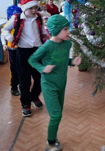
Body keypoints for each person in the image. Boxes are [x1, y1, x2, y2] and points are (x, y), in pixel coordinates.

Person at [28, 15, 81, 151]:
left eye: (68, 28)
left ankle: (54, 139)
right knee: (56, 115)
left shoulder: (67, 43)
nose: (68, 32)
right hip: (49, 85)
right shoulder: (46, 47)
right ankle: (51, 142)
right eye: (65, 29)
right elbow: (32, 60)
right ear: (55, 30)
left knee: (58, 113)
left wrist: (72, 62)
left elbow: (63, 60)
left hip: (62, 84)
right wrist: (42, 68)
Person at [1, 0, 49, 116]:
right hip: (23, 52)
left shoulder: (38, 17)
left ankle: (34, 97)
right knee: (24, 80)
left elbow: (42, 30)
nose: (34, 10)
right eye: (31, 8)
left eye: (35, 7)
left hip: (37, 52)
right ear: (24, 8)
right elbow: (4, 30)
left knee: (40, 78)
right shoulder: (17, 18)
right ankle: (25, 104)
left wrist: (46, 35)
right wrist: (10, 38)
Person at [1, 5, 22, 96]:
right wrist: (4, 44)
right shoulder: (7, 25)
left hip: (21, 49)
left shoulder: (21, 24)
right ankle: (14, 87)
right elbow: (3, 34)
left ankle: (22, 84)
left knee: (21, 68)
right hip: (12, 49)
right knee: (14, 68)